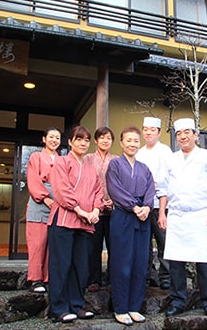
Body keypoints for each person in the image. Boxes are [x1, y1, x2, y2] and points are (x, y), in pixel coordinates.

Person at [158, 118, 207, 318]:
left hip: (200, 215)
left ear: (196, 135)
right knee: (176, 263)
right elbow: (163, 188)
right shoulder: (171, 159)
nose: (183, 136)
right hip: (177, 216)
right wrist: (162, 212)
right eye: (179, 133)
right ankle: (178, 301)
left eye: (187, 132)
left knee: (204, 262)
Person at [47, 126, 104, 324]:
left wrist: (96, 210)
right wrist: (80, 210)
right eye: (78, 139)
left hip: (85, 224)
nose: (83, 143)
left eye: (86, 140)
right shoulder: (61, 162)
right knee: (61, 265)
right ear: (70, 142)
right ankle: (58, 309)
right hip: (63, 221)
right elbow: (62, 190)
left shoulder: (90, 167)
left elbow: (98, 191)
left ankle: (76, 305)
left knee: (81, 267)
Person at [106, 126, 156, 326]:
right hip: (123, 217)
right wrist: (134, 207)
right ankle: (120, 308)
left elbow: (151, 188)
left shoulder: (144, 168)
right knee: (122, 263)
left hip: (143, 218)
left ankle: (134, 306)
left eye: (136, 140)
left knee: (140, 263)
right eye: (129, 140)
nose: (133, 144)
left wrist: (147, 207)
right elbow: (114, 189)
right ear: (121, 143)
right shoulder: (115, 165)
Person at [136, 116, 172, 290]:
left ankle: (166, 276)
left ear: (158, 132)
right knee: (145, 243)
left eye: (152, 130)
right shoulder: (139, 152)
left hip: (160, 205)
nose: (148, 133)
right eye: (145, 129)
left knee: (164, 241)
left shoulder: (165, 152)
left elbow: (170, 178)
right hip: (142, 205)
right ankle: (149, 274)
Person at [25, 127, 61, 293]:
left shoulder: (62, 160)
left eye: (57, 138)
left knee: (52, 244)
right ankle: (35, 279)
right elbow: (32, 179)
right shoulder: (36, 156)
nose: (54, 140)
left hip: (58, 204)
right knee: (37, 243)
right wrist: (45, 198)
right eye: (51, 137)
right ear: (44, 139)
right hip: (39, 204)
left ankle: (48, 278)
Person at [84, 127, 118, 292]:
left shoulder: (117, 160)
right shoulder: (88, 159)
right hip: (94, 210)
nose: (105, 141)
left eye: (109, 138)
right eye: (102, 138)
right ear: (96, 141)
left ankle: (113, 280)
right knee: (94, 247)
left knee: (114, 246)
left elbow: (120, 184)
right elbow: (85, 183)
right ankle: (94, 280)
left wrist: (114, 201)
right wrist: (97, 203)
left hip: (113, 210)